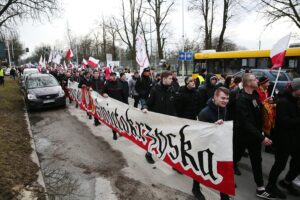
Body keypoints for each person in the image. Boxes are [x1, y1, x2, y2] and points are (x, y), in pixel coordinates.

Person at [233, 73, 275, 199]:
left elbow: (256, 109)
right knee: (235, 158)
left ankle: (260, 188)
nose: (257, 81)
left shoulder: (255, 95)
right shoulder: (240, 99)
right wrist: (262, 138)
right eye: (254, 79)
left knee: (257, 161)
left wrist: (265, 103)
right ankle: (224, 177)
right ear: (247, 83)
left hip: (255, 136)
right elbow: (246, 122)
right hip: (243, 136)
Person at [193, 87, 231, 200]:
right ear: (215, 97)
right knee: (200, 168)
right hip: (205, 148)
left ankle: (224, 195)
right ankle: (196, 188)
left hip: (220, 145)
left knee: (222, 170)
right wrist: (213, 126)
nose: (225, 101)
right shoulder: (204, 113)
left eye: (227, 98)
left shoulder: (225, 108)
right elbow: (200, 134)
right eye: (222, 98)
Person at [266, 78, 300, 199]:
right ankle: (270, 185)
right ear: (295, 90)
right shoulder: (284, 102)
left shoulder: (296, 100)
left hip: (295, 138)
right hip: (283, 139)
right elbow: (284, 122)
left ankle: (286, 182)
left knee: (298, 161)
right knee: (280, 164)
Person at [142, 71, 177, 164]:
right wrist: (145, 108)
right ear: (164, 79)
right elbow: (148, 103)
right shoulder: (155, 89)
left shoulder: (172, 89)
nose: (171, 80)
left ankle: (172, 160)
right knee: (155, 138)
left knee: (169, 139)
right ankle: (148, 154)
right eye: (170, 78)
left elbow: (174, 104)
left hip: (168, 119)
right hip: (157, 120)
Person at [103, 72, 125, 140]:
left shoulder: (120, 84)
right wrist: (104, 94)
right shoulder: (107, 84)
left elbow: (123, 95)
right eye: (112, 76)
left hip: (119, 104)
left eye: (114, 76)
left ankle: (119, 131)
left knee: (119, 119)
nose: (113, 77)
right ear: (110, 77)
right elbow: (103, 92)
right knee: (113, 120)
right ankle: (114, 133)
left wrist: (125, 104)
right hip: (111, 105)